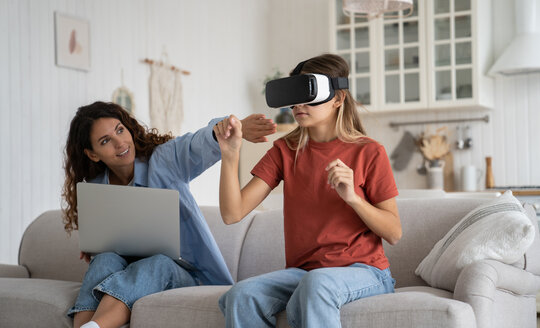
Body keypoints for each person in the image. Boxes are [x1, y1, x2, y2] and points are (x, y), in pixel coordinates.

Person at [214, 54, 402, 328]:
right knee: (241, 295)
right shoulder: (285, 151)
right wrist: (230, 155)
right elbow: (232, 214)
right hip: (304, 273)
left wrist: (353, 198)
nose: (299, 104)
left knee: (317, 284)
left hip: (365, 271)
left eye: (309, 93)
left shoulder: (369, 152)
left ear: (338, 98)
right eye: (295, 94)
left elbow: (394, 233)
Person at [61, 101, 276, 328]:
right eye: (105, 141)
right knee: (104, 260)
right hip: (131, 274)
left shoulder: (164, 161)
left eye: (120, 130)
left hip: (189, 275)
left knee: (158, 263)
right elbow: (105, 250)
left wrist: (230, 130)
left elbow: (196, 144)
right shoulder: (96, 190)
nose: (119, 143)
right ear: (92, 155)